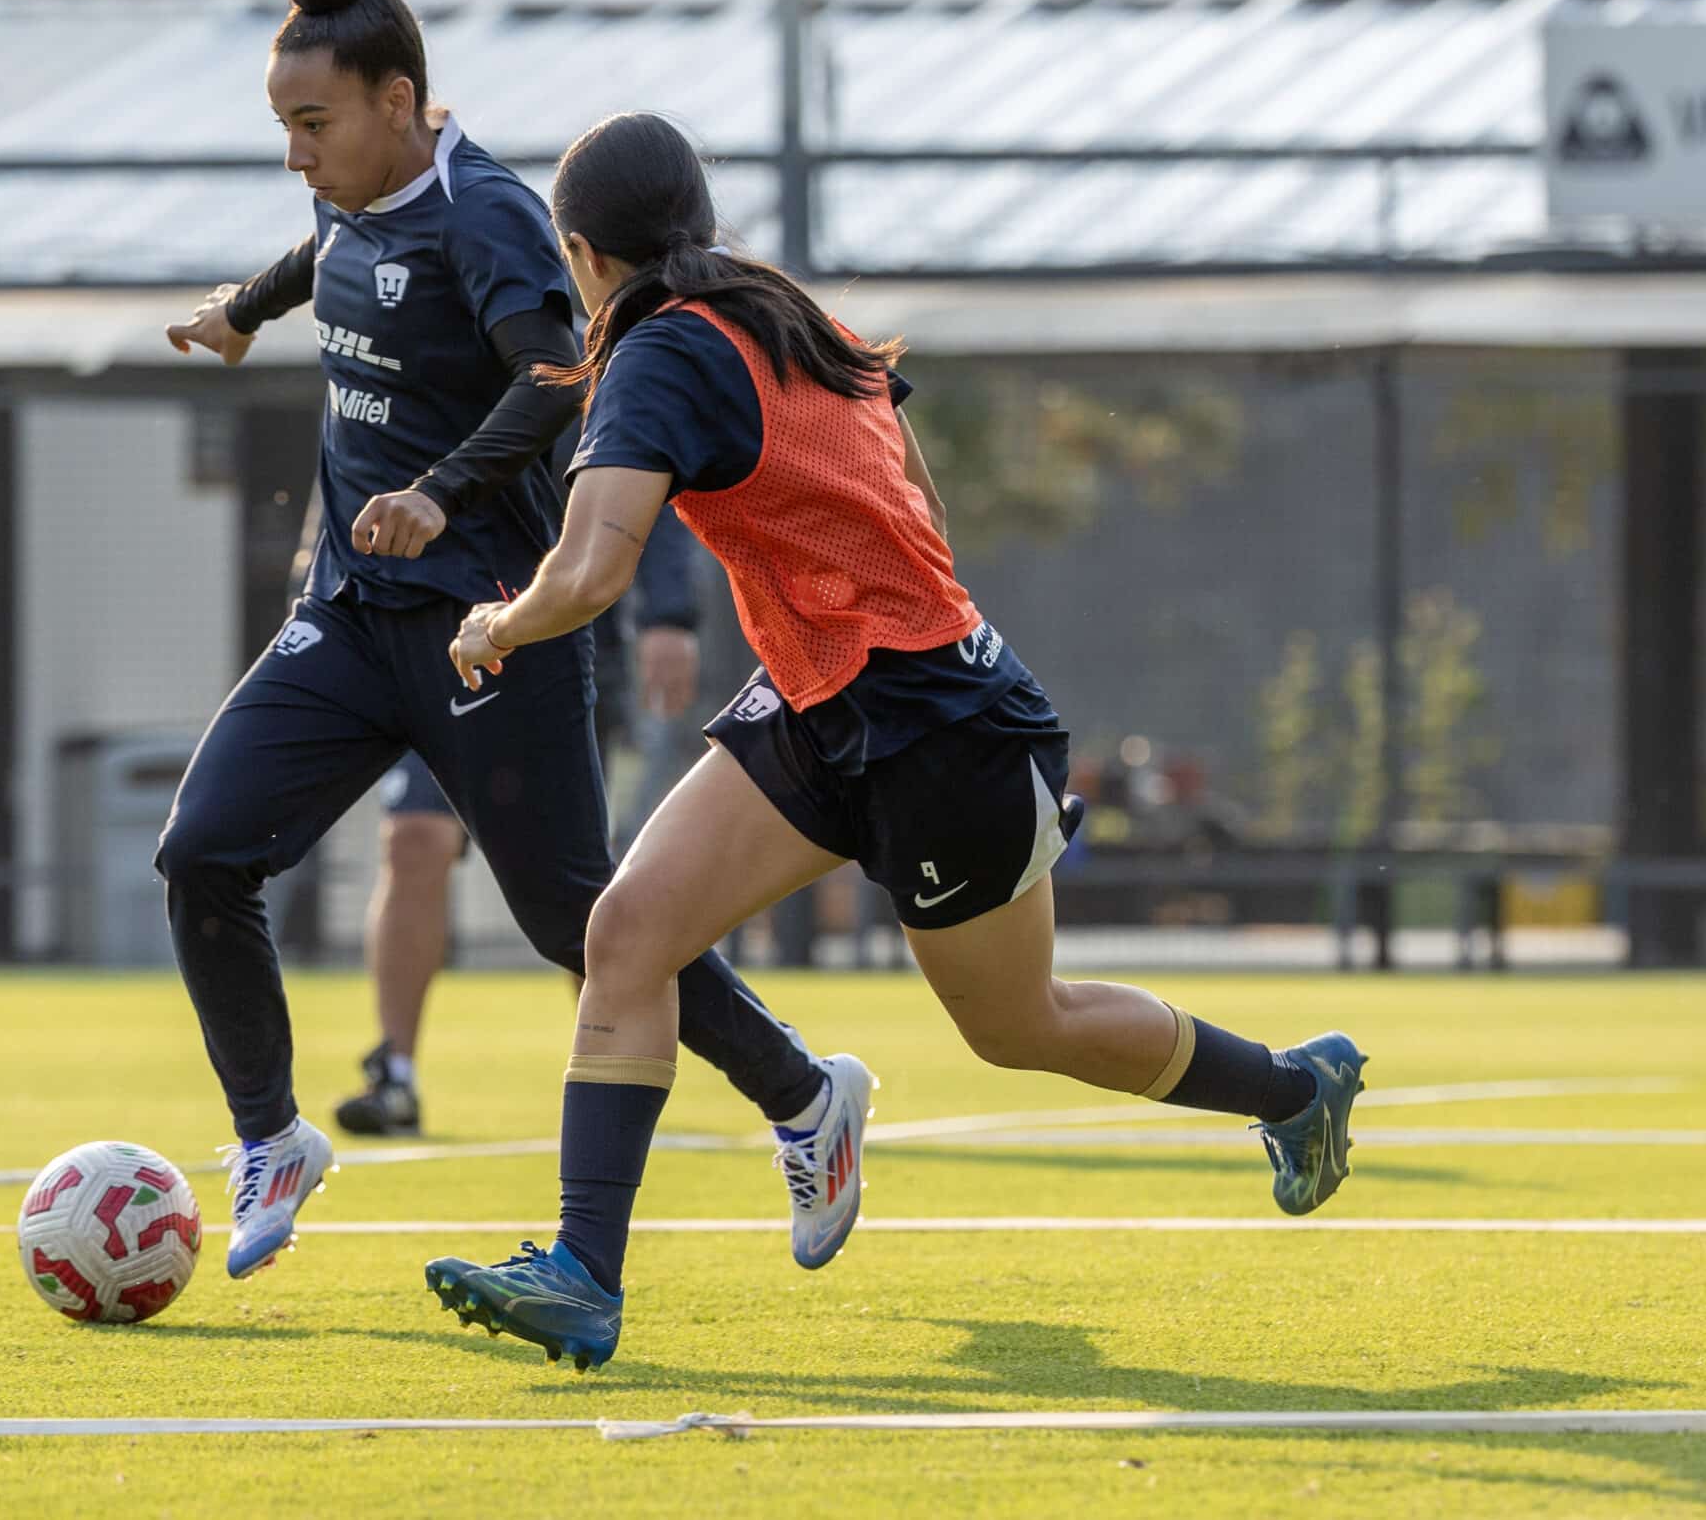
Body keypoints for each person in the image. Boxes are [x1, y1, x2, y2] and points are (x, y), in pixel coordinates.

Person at [422, 113, 1366, 1370]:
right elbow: (918, 505)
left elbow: (590, 569)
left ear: (582, 252)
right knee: (626, 932)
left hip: (942, 734)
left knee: (1022, 1025)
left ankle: (1294, 1092)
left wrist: (498, 620)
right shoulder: (797, 320)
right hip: (834, 701)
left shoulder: (659, 350)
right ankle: (583, 1274)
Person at [157, 0, 863, 1282]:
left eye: (312, 124)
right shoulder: (359, 191)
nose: (296, 153)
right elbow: (331, 246)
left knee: (581, 924)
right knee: (202, 855)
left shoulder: (488, 214)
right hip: (355, 616)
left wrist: (435, 489)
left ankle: (803, 1091)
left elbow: (559, 375)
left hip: (494, 623)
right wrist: (245, 308)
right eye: (282, 127)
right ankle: (272, 1135)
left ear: (398, 101)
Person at [333, 470, 703, 1140]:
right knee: (413, 838)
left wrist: (668, 615)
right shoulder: (426, 376)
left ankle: (616, 1077)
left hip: (563, 651)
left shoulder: (574, 375)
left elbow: (648, 483)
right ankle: (395, 1073)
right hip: (440, 647)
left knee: (582, 889)